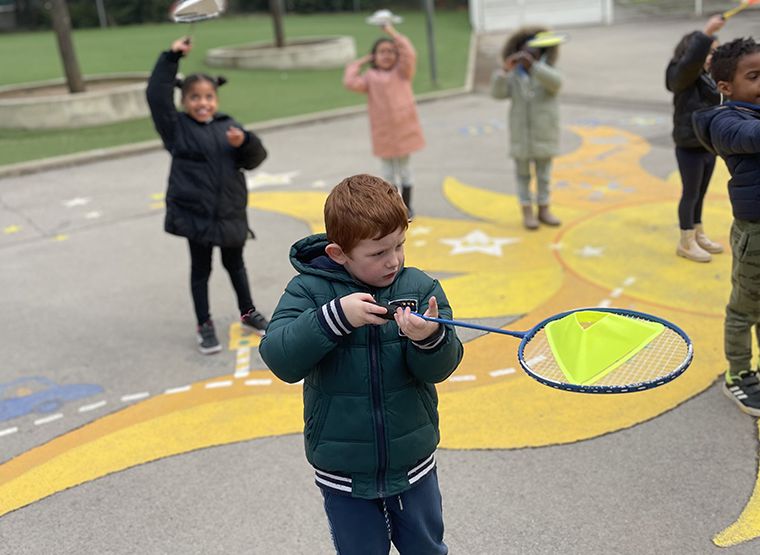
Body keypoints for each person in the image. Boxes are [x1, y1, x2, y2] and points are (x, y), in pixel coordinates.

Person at [259, 174, 463, 554]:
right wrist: (333, 317)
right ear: (339, 254)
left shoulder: (419, 289)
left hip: (411, 461)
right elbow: (279, 358)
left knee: (426, 547)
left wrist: (428, 339)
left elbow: (439, 368)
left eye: (400, 245)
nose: (394, 260)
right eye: (378, 253)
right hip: (343, 469)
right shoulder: (307, 290)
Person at [146, 37, 269, 355]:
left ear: (216, 98)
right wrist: (170, 57)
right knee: (201, 271)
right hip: (195, 214)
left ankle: (247, 312)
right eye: (195, 98)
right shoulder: (177, 129)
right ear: (184, 101)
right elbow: (156, 96)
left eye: (208, 97)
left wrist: (246, 142)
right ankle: (204, 323)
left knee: (236, 265)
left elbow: (255, 159)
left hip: (229, 213)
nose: (203, 103)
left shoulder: (229, 127)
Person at [693, 37, 760, 416]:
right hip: (755, 234)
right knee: (744, 309)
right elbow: (751, 138)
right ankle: (739, 376)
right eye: (754, 76)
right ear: (725, 87)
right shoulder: (725, 122)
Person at [343, 24, 425, 217]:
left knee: (405, 170)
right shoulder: (370, 77)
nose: (387, 55)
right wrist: (361, 62)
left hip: (405, 131)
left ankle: (408, 206)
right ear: (374, 56)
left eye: (390, 52)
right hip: (384, 133)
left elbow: (409, 53)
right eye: (381, 52)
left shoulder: (403, 73)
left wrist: (393, 33)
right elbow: (350, 81)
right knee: (387, 173)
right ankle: (394, 208)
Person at [666, 14, 726, 263]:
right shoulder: (681, 75)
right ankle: (685, 241)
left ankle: (698, 233)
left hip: (707, 146)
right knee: (690, 193)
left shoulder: (706, 77)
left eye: (714, 51)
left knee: (700, 194)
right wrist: (707, 32)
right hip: (688, 146)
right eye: (708, 51)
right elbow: (690, 64)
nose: (712, 56)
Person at [490, 27, 563, 230]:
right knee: (522, 176)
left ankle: (544, 209)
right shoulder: (514, 74)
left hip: (544, 133)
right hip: (521, 136)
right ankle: (527, 212)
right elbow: (497, 94)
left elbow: (557, 84)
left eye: (533, 52)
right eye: (524, 51)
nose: (527, 56)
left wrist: (535, 67)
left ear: (542, 52)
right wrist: (505, 71)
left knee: (544, 176)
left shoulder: (547, 71)